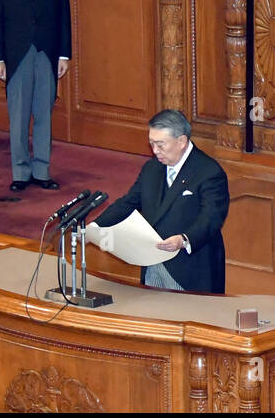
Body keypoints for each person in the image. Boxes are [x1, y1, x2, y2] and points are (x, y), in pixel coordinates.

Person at [92, 110, 229, 293]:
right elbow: (129, 203)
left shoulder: (209, 172)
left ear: (181, 141)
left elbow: (211, 218)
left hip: (190, 269)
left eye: (160, 144)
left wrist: (184, 240)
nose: (155, 151)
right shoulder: (152, 168)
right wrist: (95, 227)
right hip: (152, 263)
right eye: (152, 144)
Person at [0, 0, 70, 192]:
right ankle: (20, 172)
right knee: (19, 115)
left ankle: (41, 170)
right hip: (16, 55)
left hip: (47, 54)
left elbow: (64, 19)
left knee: (44, 115)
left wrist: (64, 55)